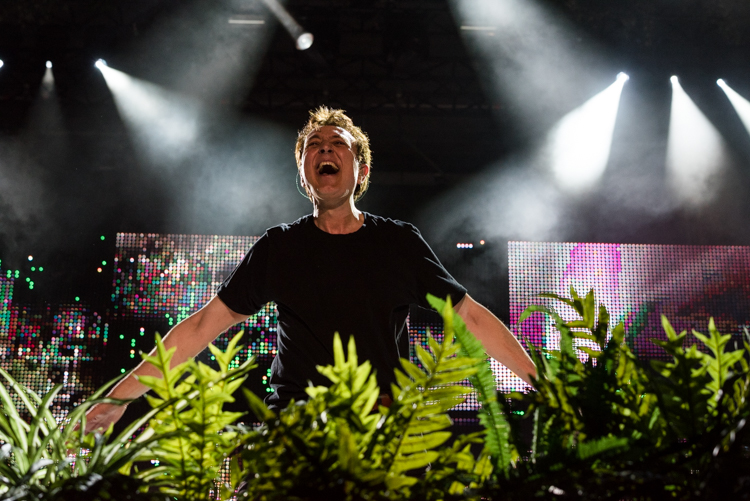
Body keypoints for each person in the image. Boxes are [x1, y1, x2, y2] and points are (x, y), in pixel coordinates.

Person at [84, 107, 536, 431]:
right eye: (314, 146)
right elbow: (202, 326)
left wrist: (543, 385)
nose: (325, 149)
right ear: (304, 176)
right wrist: (119, 397)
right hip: (295, 431)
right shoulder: (279, 247)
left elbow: (470, 316)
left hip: (381, 430)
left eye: (338, 144)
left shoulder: (399, 242)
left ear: (361, 171)